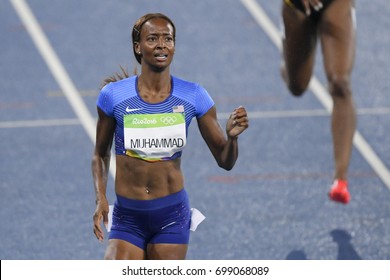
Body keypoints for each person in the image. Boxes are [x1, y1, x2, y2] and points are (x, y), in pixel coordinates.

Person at [91, 13, 249, 260]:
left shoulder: (193, 96)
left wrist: (233, 139)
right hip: (127, 216)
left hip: (171, 216)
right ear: (138, 47)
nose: (162, 45)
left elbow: (225, 161)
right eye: (152, 38)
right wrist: (101, 198)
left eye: (168, 39)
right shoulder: (114, 97)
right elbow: (100, 154)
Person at [281, 0, 356, 204]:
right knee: (297, 86)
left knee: (340, 84)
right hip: (296, 6)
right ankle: (287, 63)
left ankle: (340, 180)